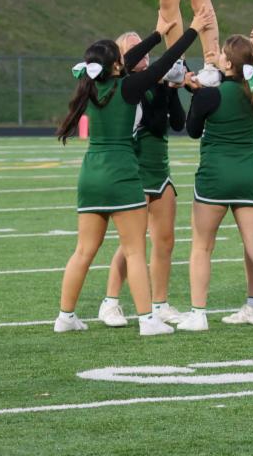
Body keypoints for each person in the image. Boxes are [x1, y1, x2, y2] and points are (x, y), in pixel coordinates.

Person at [54, 6, 213, 335]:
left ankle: (65, 317)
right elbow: (167, 61)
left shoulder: (89, 87)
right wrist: (193, 30)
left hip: (90, 173)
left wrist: (157, 33)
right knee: (135, 251)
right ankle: (148, 320)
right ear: (118, 64)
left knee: (83, 251)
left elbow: (137, 60)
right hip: (122, 174)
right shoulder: (128, 88)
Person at [176, 35, 253, 332]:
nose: (219, 57)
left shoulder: (210, 95)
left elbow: (192, 130)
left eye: (223, 54)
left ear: (229, 63)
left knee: (202, 247)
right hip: (250, 177)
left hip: (215, 177)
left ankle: (198, 314)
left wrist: (196, 94)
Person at [98, 31, 185, 327]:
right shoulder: (127, 86)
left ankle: (160, 303)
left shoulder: (156, 82)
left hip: (160, 169)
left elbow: (178, 123)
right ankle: (110, 302)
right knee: (131, 242)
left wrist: (173, 87)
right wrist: (159, 79)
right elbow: (151, 121)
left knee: (165, 240)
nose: (143, 52)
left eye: (143, 48)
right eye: (135, 48)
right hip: (136, 168)